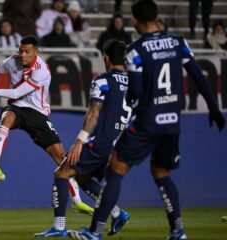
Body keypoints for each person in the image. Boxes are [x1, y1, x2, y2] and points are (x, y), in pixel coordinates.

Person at [68, 1, 226, 240]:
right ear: (157, 16)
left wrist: (131, 98)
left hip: (148, 121)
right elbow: (197, 75)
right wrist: (214, 107)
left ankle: (95, 232)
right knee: (162, 173)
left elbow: (137, 90)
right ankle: (178, 231)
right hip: (172, 121)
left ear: (135, 20)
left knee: (115, 169)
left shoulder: (136, 50)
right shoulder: (178, 43)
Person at [0, 35, 94, 215]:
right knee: (7, 118)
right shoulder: (12, 61)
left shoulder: (42, 70)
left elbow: (18, 91)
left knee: (61, 158)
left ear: (36, 51)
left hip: (38, 113)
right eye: (21, 50)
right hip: (16, 107)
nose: (23, 55)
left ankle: (77, 202)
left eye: (27, 52)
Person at [34, 39, 131, 238]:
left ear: (106, 58)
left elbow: (94, 113)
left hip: (99, 142)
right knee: (81, 176)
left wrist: (80, 141)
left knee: (61, 173)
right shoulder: (134, 82)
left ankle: (59, 227)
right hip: (119, 143)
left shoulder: (103, 80)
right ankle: (117, 213)